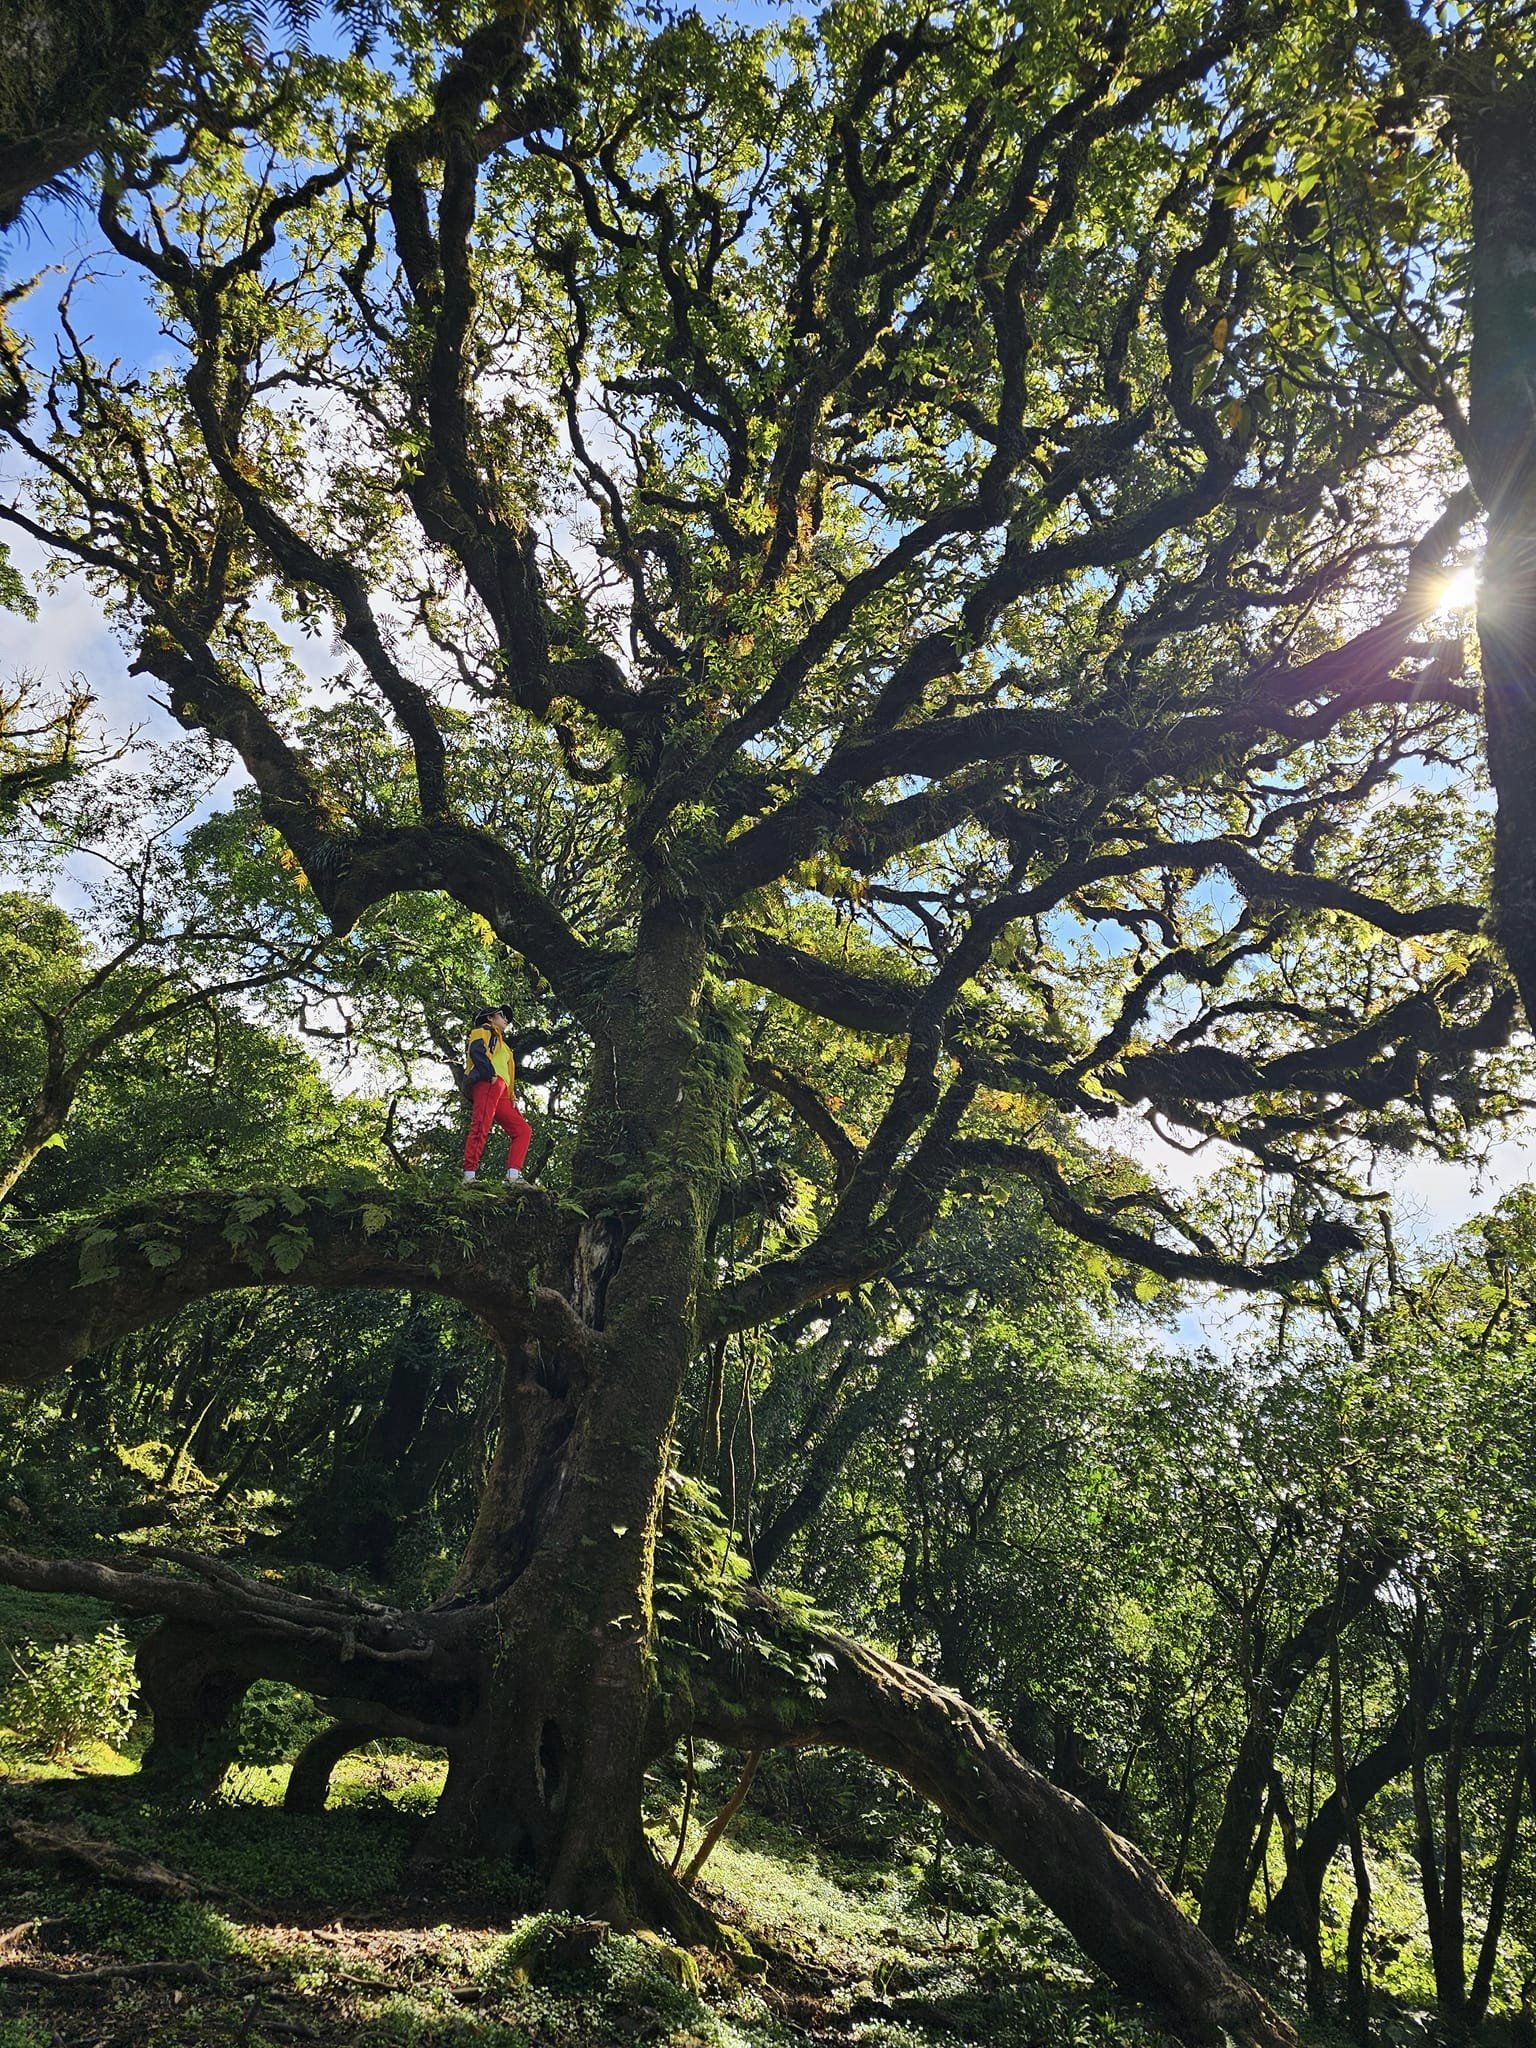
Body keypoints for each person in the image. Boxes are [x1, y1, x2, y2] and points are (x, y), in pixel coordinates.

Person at [461, 1005, 532, 1186]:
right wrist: (490, 1074)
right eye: (502, 1016)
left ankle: (513, 1176)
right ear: (490, 1018)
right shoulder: (482, 1031)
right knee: (481, 1124)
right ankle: (469, 1177)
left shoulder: (506, 1047)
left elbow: (509, 1073)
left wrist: (512, 1096)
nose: (506, 1020)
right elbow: (476, 1051)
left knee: (523, 1130)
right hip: (488, 1082)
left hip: (503, 1091)